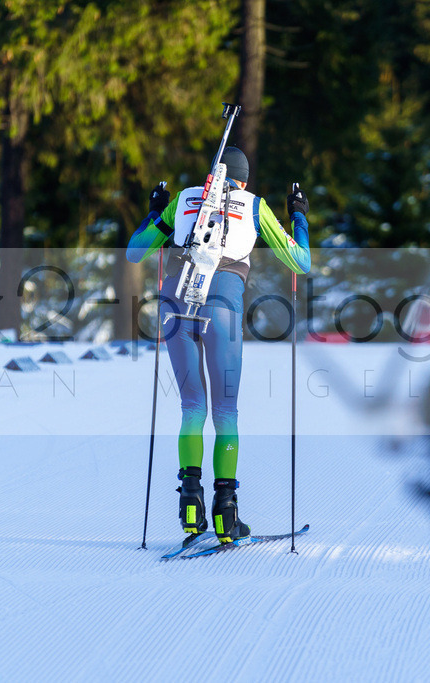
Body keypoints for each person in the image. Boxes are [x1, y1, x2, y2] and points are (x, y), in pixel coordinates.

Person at [126, 147, 311, 542]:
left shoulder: (185, 198)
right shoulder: (254, 205)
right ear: (243, 180)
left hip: (175, 303)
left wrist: (155, 210)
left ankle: (189, 507)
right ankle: (226, 514)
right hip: (222, 307)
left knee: (192, 407)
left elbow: (135, 250)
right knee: (225, 411)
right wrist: (298, 215)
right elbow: (301, 262)